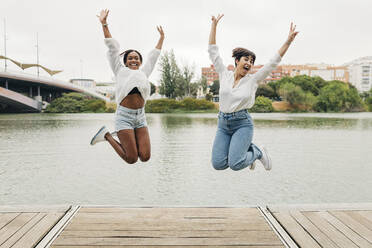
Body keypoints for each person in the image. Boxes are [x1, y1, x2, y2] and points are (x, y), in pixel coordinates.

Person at [209, 14, 298, 171]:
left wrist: (288, 41)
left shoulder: (253, 80)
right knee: (218, 164)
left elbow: (273, 63)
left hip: (242, 123)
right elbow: (213, 52)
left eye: (252, 61)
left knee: (235, 164)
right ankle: (246, 151)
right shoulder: (224, 74)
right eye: (246, 59)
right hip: (223, 124)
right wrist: (214, 25)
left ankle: (258, 152)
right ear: (237, 60)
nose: (249, 63)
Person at [90, 9, 164, 164]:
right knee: (131, 159)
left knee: (145, 157)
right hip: (124, 117)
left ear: (140, 61)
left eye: (136, 58)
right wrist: (104, 24)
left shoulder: (144, 72)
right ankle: (107, 135)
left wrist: (161, 38)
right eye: (130, 58)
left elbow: (154, 56)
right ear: (125, 62)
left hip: (141, 116)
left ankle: (130, 140)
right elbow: (112, 47)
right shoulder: (120, 70)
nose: (133, 60)